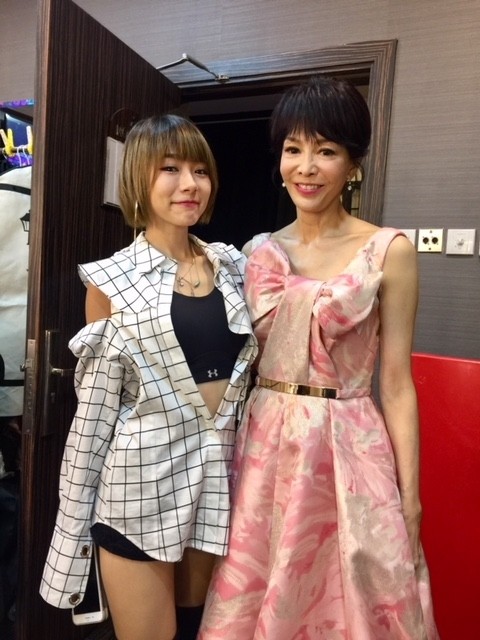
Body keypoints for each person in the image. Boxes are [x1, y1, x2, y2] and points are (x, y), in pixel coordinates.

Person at [198, 76, 440, 639]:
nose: (305, 168)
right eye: (293, 149)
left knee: (359, 592)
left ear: (353, 164)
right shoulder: (256, 252)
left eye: (326, 151)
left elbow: (396, 385)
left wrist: (411, 497)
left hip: (349, 446)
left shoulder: (389, 251)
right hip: (263, 446)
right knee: (258, 588)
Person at [40, 114, 257, 640]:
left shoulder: (235, 268)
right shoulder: (111, 280)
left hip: (219, 482)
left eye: (200, 170)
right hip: (139, 487)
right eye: (170, 168)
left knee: (203, 629)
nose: (190, 184)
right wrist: (72, 529)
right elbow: (95, 415)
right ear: (139, 176)